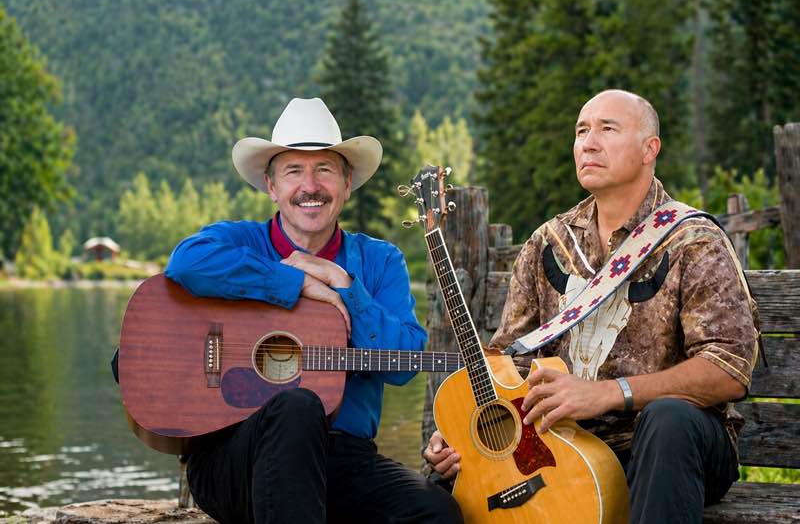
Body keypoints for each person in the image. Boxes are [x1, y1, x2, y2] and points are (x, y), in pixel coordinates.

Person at [423, 89, 759, 523]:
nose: (589, 142)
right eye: (582, 130)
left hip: (668, 452)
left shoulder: (693, 240)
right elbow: (505, 366)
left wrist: (606, 394)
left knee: (668, 420)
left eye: (608, 129)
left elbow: (728, 369)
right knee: (432, 491)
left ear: (649, 149)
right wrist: (463, 433)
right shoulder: (548, 243)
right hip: (561, 449)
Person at [166, 97, 462, 524]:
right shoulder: (240, 242)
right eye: (293, 171)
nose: (310, 185)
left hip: (342, 462)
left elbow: (405, 362)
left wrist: (343, 284)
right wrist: (292, 281)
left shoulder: (380, 261)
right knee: (298, 405)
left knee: (437, 512)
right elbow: (184, 263)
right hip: (237, 459)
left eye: (324, 169)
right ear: (271, 186)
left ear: (345, 184)